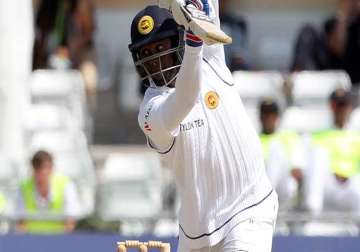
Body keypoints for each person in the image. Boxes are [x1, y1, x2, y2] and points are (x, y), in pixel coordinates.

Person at [129, 1, 278, 251]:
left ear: (175, 41)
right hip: (197, 232)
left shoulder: (211, 59)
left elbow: (205, 17)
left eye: (160, 47)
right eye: (146, 53)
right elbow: (184, 99)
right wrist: (194, 41)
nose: (154, 60)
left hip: (249, 207)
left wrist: (196, 7)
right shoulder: (150, 110)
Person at [305, 88, 360, 215]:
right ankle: (312, 214)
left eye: (343, 105)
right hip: (327, 185)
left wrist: (347, 177)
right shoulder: (318, 135)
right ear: (331, 107)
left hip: (353, 186)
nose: (340, 109)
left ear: (350, 107)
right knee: (318, 153)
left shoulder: (357, 136)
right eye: (337, 105)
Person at [15, 150, 80, 234]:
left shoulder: (65, 184)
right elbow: (21, 223)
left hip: (59, 240)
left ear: (52, 167)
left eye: (46, 167)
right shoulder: (24, 187)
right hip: (31, 240)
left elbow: (70, 221)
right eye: (39, 168)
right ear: (33, 169)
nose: (43, 172)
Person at [258, 98, 305, 210]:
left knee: (276, 149)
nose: (268, 118)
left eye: (272, 114)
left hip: (284, 185)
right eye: (265, 114)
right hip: (261, 183)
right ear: (260, 117)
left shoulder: (289, 138)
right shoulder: (254, 139)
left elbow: (297, 169)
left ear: (277, 117)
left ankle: (267, 198)